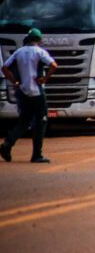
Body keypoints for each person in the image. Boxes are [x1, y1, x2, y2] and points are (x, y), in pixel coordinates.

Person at [1, 28, 58, 164]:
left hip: (22, 91)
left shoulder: (18, 52)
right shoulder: (39, 52)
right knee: (41, 121)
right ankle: (37, 154)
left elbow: (4, 68)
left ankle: (7, 145)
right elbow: (54, 65)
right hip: (37, 93)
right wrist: (45, 79)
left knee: (24, 121)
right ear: (39, 40)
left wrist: (14, 81)